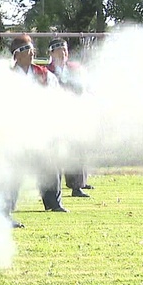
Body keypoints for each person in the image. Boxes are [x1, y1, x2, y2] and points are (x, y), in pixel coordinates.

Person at [6, 34, 66, 214]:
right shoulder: (7, 77)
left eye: (31, 48)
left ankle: (54, 202)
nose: (31, 52)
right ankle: (7, 207)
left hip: (41, 128)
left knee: (49, 165)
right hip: (16, 130)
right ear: (16, 55)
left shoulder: (44, 74)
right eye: (26, 49)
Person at [46, 38, 92, 198]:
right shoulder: (46, 71)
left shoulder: (75, 69)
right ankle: (52, 190)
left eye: (64, 50)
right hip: (54, 117)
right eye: (58, 50)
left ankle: (77, 186)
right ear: (51, 53)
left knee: (77, 150)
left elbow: (84, 89)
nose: (62, 53)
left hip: (74, 114)